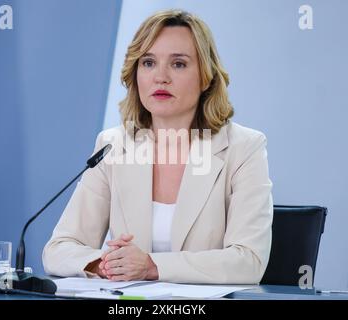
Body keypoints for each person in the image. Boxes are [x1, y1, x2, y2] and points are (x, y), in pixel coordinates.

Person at [42, 9, 273, 284]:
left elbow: (248, 262)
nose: (160, 77)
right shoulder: (113, 146)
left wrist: (152, 266)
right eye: (148, 63)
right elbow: (58, 250)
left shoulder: (243, 148)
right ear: (135, 73)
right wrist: (105, 265)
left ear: (206, 76)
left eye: (178, 64)